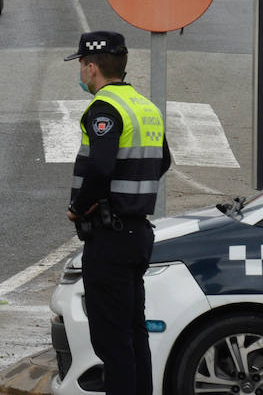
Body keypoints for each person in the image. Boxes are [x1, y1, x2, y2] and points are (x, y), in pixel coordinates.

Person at [64, 31, 172, 395]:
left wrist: (79, 208)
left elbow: (100, 167)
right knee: (133, 335)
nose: (81, 72)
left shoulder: (104, 109)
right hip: (137, 233)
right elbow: (163, 160)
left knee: (112, 343)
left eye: (82, 65)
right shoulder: (144, 106)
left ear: (92, 67)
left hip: (110, 238)